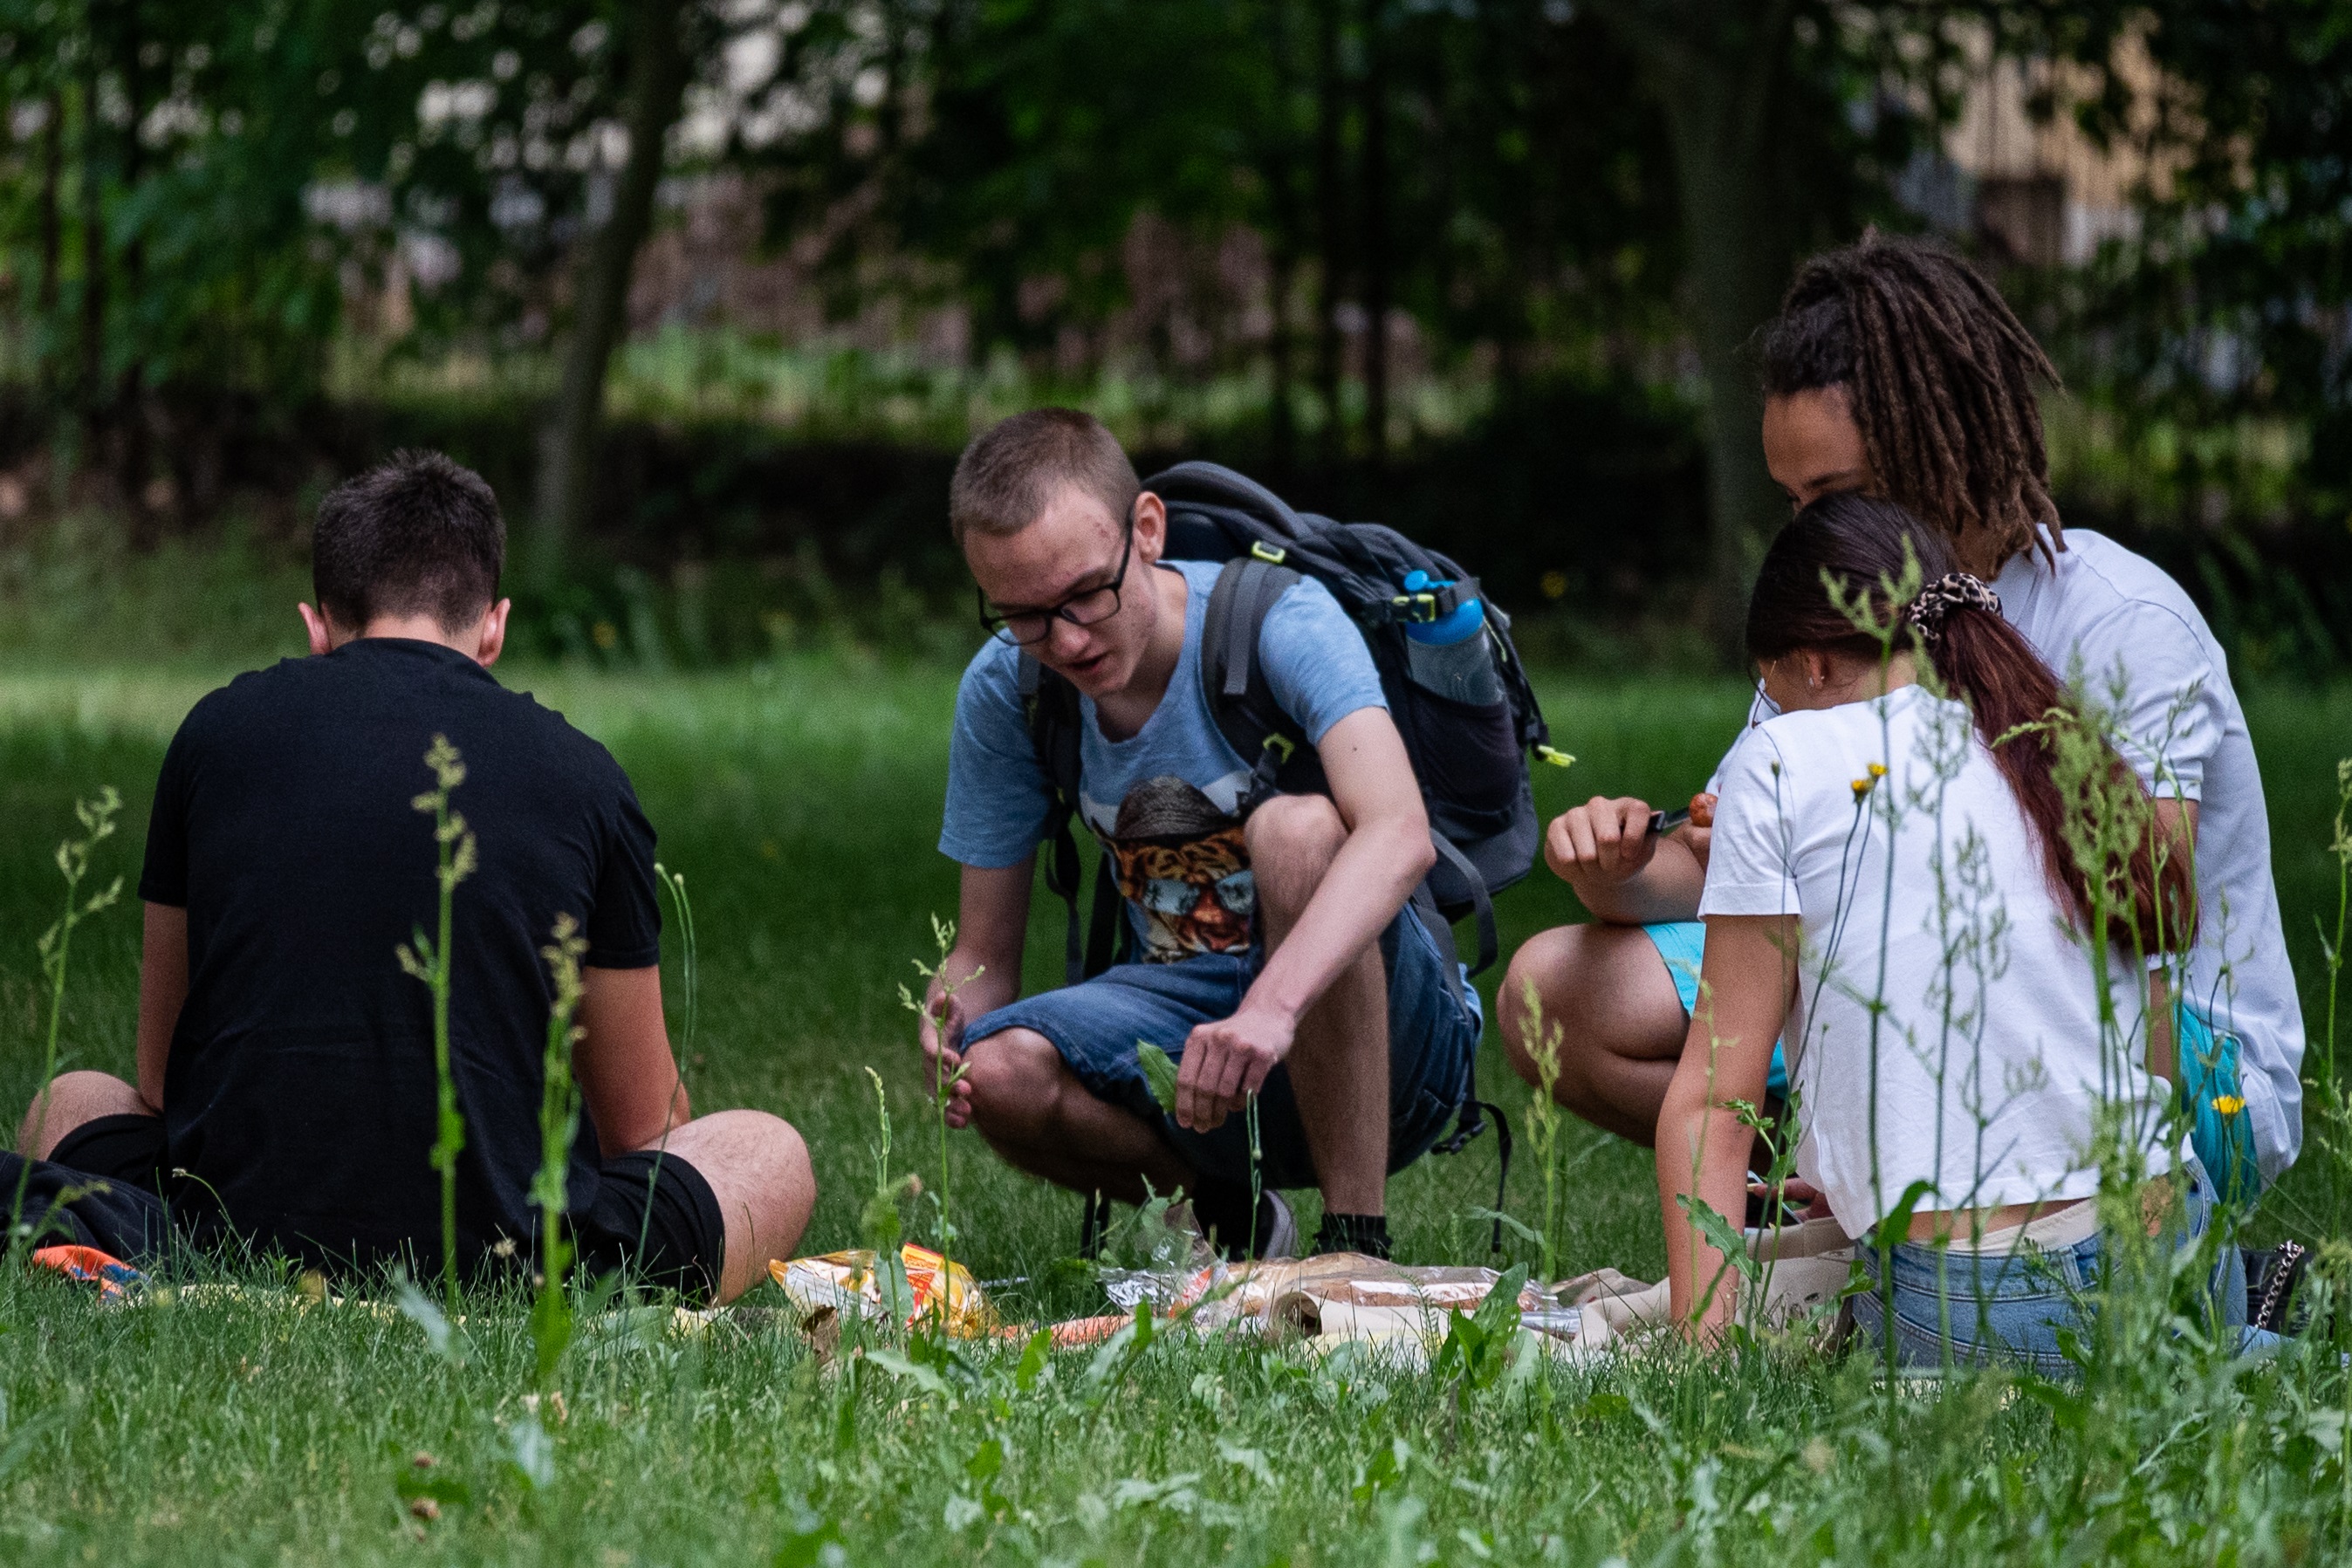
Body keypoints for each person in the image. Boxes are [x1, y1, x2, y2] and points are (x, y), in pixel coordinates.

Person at [1506, 234, 2301, 1204]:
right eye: (1791, 499)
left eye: (1833, 494)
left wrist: (1853, 843)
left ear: (1943, 442)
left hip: (2167, 1059)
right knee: (1555, 985)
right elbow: (1734, 885)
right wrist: (1622, 872)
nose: (1804, 533)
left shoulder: (2122, 622)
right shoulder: (1835, 621)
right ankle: (1864, 1213)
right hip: (1922, 1018)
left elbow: (2142, 911)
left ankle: (1948, 1227)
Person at [11, 452, 813, 1302]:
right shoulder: (582, 776)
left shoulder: (215, 736)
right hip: (508, 1263)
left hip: (223, 1236)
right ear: (494, 628)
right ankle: (596, 1301)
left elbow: (162, 1078)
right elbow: (642, 1123)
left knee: (71, 1098)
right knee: (768, 1150)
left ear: (317, 625)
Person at [1659, 492, 2243, 1363]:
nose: (1768, 712)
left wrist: (1699, 1361)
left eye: (1768, 687)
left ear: (1812, 664)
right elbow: (2146, 1027)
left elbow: (1714, 1100)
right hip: (2179, 1248)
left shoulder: (1777, 761)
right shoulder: (2047, 743)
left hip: (1977, 1301)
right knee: (2213, 1370)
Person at [918, 408, 1484, 1261]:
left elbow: (1399, 832)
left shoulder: (1276, 621)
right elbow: (984, 951)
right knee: (998, 1069)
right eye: (1023, 614)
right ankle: (1236, 1221)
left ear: (1146, 530)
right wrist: (952, 1020)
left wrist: (1270, 1006)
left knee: (1296, 829)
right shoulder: (1011, 689)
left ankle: (1356, 1250)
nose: (1063, 640)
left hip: (1393, 1042)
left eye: (1083, 596)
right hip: (1190, 1039)